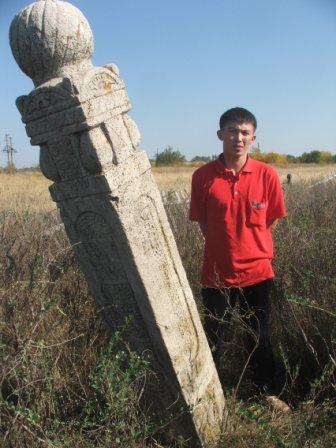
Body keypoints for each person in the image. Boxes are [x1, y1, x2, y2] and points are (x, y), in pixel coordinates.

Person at [189, 107, 286, 392]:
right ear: (220, 135)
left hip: (257, 272)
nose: (238, 138)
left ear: (253, 137)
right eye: (232, 131)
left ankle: (266, 393)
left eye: (245, 132)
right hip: (217, 275)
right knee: (214, 338)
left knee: (259, 337)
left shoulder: (267, 174)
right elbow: (204, 223)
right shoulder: (203, 176)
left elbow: (272, 219)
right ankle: (212, 396)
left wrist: (251, 244)